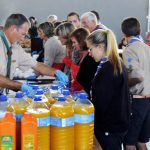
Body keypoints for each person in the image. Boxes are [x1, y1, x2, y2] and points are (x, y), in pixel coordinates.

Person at [0, 13, 68, 94]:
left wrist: (56, 72)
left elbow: (37, 65)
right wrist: (20, 86)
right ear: (13, 28)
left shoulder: (15, 47)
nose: (23, 38)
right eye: (23, 34)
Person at [86, 29, 130, 150]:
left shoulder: (109, 69)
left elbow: (102, 102)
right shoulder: (112, 63)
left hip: (109, 126)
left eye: (90, 49)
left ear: (100, 46)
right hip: (114, 124)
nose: (89, 53)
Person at [122, 17, 150, 150]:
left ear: (124, 34)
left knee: (129, 141)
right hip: (148, 99)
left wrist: (123, 84)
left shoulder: (130, 49)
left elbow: (138, 75)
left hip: (138, 101)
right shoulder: (147, 48)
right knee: (141, 139)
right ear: (139, 31)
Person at [70, 27, 99, 95]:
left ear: (81, 42)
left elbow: (89, 82)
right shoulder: (79, 55)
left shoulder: (90, 58)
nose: (73, 45)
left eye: (74, 42)